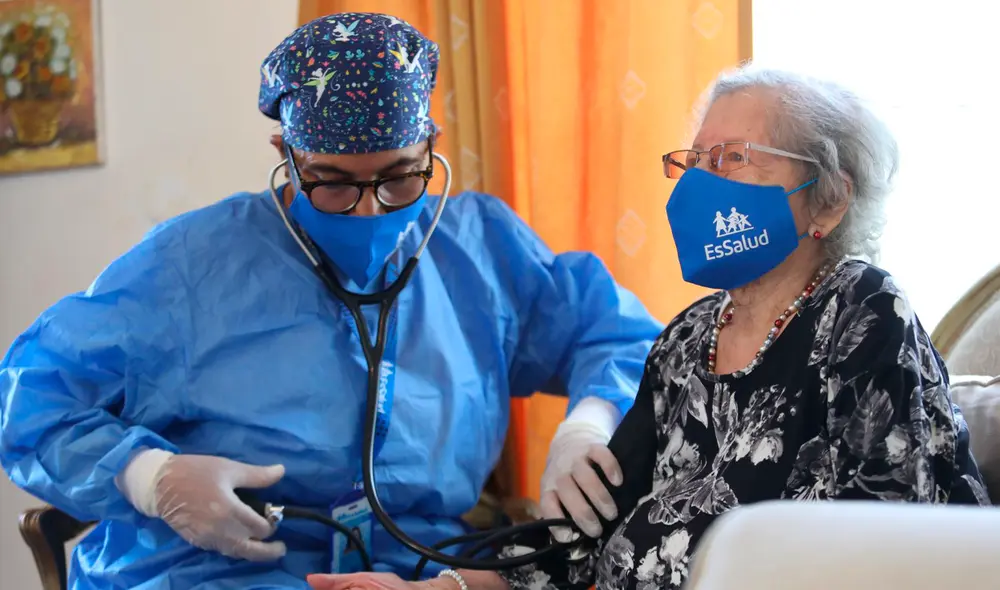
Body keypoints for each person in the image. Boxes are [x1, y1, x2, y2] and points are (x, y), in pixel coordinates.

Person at [0, 13, 663, 589]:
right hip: (218, 571)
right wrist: (152, 476)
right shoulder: (187, 269)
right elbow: (33, 397)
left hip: (422, 570)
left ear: (432, 147)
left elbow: (616, 333)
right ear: (285, 154)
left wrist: (589, 424)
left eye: (400, 177)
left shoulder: (480, 249)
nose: (369, 207)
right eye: (333, 183)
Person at [302, 66, 991, 590]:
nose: (699, 182)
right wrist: (448, 585)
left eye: (733, 159)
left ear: (830, 200)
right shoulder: (689, 339)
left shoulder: (863, 310)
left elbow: (891, 537)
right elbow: (582, 535)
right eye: (695, 160)